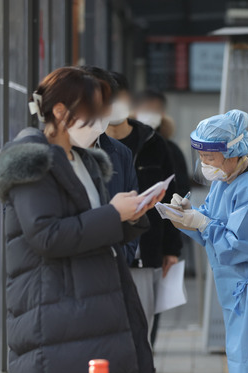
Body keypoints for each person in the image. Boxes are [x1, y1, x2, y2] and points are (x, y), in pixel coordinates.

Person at [0, 67, 160, 373]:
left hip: (92, 304)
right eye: (93, 109)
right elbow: (47, 236)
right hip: (58, 312)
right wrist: (111, 214)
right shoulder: (33, 161)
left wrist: (130, 215)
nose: (101, 118)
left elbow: (90, 229)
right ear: (60, 111)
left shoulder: (84, 160)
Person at [160, 109, 248, 373]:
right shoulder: (225, 182)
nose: (205, 164)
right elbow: (213, 227)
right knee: (244, 365)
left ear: (234, 153)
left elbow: (239, 245)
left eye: (210, 158)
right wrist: (188, 216)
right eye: (201, 158)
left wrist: (201, 223)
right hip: (242, 294)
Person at [106, 72, 182, 347]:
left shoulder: (152, 142)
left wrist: (172, 248)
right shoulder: (91, 144)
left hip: (145, 250)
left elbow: (172, 196)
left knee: (141, 332)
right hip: (105, 249)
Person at [80, 65, 140, 265]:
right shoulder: (53, 154)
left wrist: (122, 259)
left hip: (113, 268)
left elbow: (134, 213)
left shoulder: (120, 153)